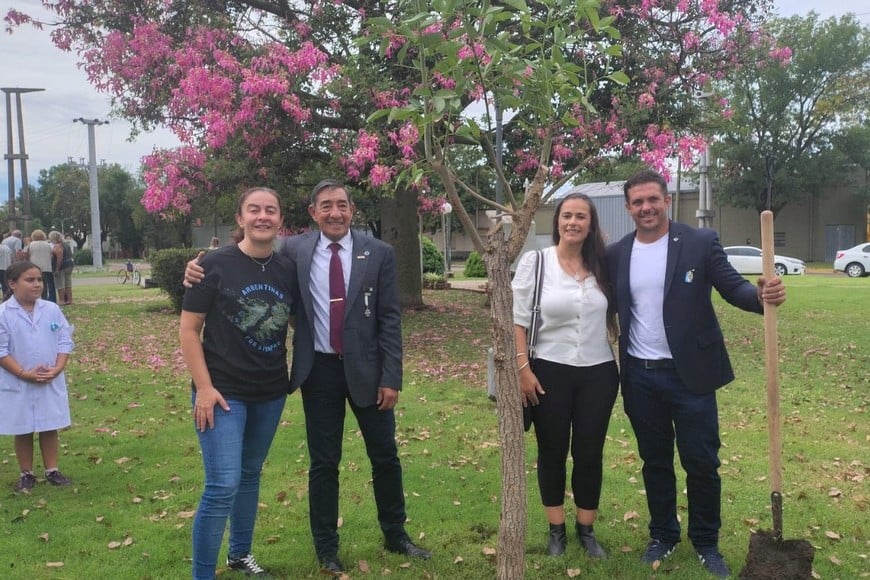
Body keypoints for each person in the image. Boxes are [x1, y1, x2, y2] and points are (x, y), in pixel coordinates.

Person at [185, 179, 430, 575]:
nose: (335, 213)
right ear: (312, 213)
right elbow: (241, 258)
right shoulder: (294, 250)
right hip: (318, 370)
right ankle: (326, 548)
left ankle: (396, 533)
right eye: (326, 206)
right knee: (323, 462)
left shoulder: (379, 252)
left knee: (385, 456)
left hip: (368, 371)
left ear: (352, 210)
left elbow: (390, 319)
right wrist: (197, 267)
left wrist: (392, 375)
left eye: (342, 205)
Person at [606, 169, 787, 578]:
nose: (646, 207)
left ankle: (706, 541)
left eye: (652, 199)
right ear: (628, 208)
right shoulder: (618, 253)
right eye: (637, 202)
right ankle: (663, 535)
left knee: (702, 462)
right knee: (654, 461)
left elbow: (733, 288)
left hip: (692, 376)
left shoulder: (699, 242)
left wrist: (761, 296)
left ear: (666, 200)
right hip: (639, 376)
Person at [179, 187, 295, 579]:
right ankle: (202, 574)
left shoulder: (287, 267)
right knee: (222, 484)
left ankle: (240, 554)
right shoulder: (212, 264)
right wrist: (205, 388)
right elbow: (189, 330)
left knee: (249, 474)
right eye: (254, 209)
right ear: (240, 217)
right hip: (222, 392)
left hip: (270, 391)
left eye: (271, 210)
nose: (263, 216)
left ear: (280, 219)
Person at [512, 192, 619, 559]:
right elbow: (518, 319)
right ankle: (556, 530)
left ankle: (586, 530)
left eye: (581, 217)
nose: (573, 222)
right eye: (567, 216)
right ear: (557, 221)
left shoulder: (603, 265)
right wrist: (522, 368)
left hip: (598, 373)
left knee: (589, 453)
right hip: (548, 372)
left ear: (591, 225)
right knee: (553, 451)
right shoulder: (537, 262)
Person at [0, 261, 75, 492]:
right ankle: (26, 473)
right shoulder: (4, 314)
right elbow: (1, 350)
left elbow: (64, 340)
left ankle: (52, 469)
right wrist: (23, 373)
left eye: (40, 280)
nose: (37, 285)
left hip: (48, 378)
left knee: (49, 424)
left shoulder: (51, 309)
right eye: (30, 280)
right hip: (18, 380)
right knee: (23, 427)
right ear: (12, 284)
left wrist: (58, 368)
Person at [26, 230, 56, 302]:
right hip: (47, 267)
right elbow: (52, 255)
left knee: (35, 284)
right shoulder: (48, 245)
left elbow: (27, 255)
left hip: (34, 267)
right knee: (47, 284)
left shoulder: (31, 244)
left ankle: (36, 298)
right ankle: (49, 299)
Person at [49, 231, 75, 305]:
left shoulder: (58, 246)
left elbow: (59, 257)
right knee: (68, 283)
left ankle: (62, 300)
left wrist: (57, 268)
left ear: (54, 238)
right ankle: (70, 300)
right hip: (70, 264)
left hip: (62, 266)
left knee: (60, 284)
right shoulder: (66, 245)